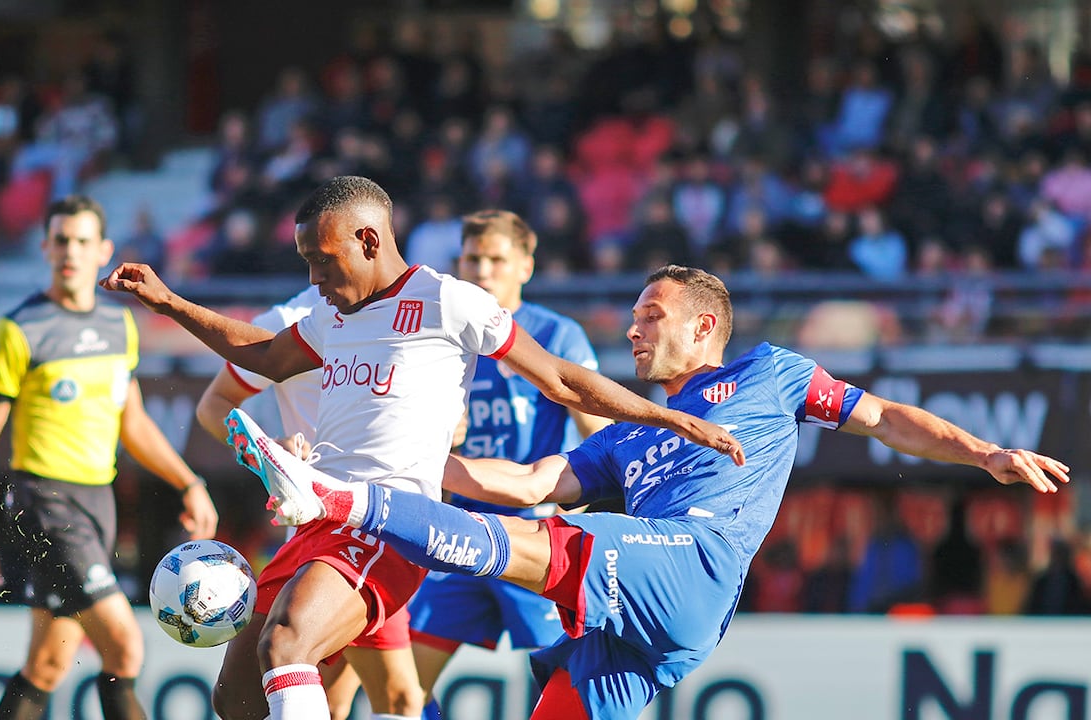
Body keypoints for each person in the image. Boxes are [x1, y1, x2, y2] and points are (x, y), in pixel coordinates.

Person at [234, 264, 1070, 720]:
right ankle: (348, 493)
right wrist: (404, 463)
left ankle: (336, 505)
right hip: (644, 619)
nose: (631, 331)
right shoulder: (634, 433)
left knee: (541, 549)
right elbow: (528, 482)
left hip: (696, 562)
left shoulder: (772, 375)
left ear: (703, 325)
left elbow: (884, 419)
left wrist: (982, 452)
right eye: (632, 317)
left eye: (649, 316)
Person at [99, 175, 743, 720]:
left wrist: (671, 419)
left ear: (369, 240)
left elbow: (563, 379)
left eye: (323, 260)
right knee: (238, 702)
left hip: (388, 523)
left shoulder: (448, 301)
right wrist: (166, 301)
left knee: (287, 645)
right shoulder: (333, 317)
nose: (315, 276)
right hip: (317, 518)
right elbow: (265, 356)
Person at [0, 194, 219, 720]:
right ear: (44, 247)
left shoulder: (120, 326)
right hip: (44, 504)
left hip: (98, 503)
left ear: (104, 251)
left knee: (46, 667)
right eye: (60, 241)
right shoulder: (18, 330)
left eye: (81, 241)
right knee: (124, 647)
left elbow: (134, 423)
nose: (69, 251)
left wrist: (190, 483)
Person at [406, 209, 611, 719]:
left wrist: (593, 504)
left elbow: (598, 434)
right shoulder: (441, 341)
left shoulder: (555, 336)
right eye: (472, 259)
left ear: (525, 264)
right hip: (457, 532)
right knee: (402, 688)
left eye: (496, 259)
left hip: (534, 536)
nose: (483, 270)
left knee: (566, 688)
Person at [193, 285, 424, 720]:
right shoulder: (285, 324)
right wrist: (266, 454)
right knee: (248, 700)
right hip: (311, 530)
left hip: (378, 528)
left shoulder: (411, 312)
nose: (321, 269)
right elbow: (213, 406)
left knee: (392, 698)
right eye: (311, 256)